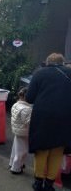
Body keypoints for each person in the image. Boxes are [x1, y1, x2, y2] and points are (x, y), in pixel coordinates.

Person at [26, 53, 71, 191]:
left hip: (43, 116)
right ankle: (49, 184)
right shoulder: (69, 73)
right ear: (62, 63)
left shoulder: (40, 73)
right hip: (65, 116)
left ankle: (38, 182)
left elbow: (30, 98)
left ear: (47, 62)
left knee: (42, 149)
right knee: (57, 150)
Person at [9, 87, 32, 175]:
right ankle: (16, 168)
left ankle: (12, 163)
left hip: (17, 130)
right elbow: (29, 122)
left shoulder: (16, 104)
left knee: (15, 149)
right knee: (22, 151)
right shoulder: (27, 109)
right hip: (24, 132)